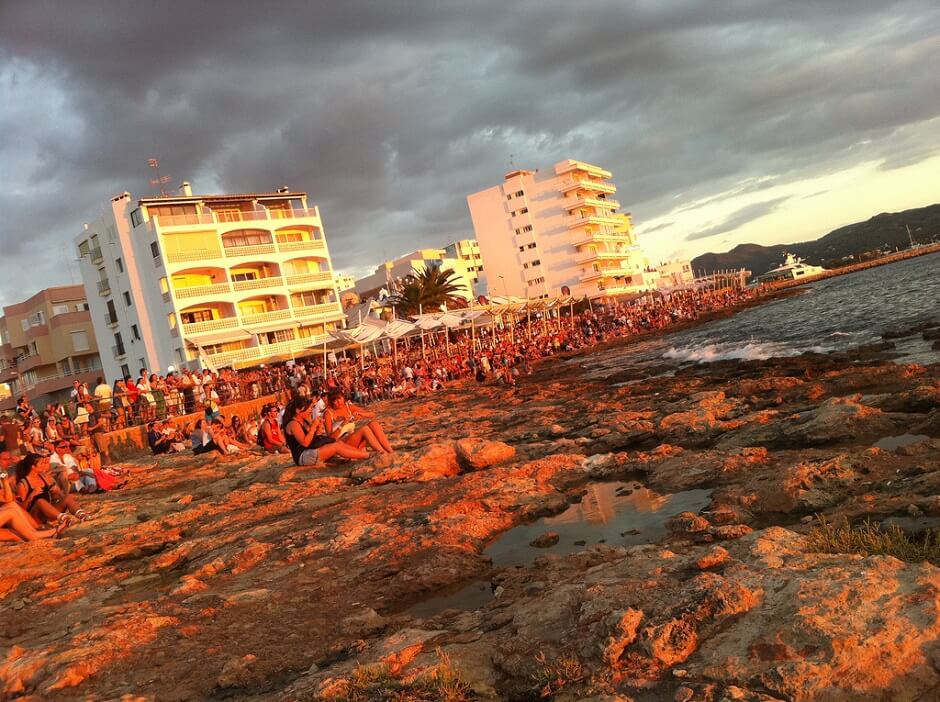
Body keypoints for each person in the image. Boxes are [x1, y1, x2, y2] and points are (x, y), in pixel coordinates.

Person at [282, 397, 369, 466]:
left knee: (339, 444)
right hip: (303, 456)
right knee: (336, 447)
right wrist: (313, 426)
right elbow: (305, 443)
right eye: (308, 408)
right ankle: (367, 456)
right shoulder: (293, 424)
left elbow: (312, 439)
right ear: (298, 410)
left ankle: (363, 454)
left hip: (309, 450)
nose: (310, 410)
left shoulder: (303, 420)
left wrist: (318, 429)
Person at [15, 453, 89, 525]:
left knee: (67, 497)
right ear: (33, 467)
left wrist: (56, 492)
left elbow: (58, 495)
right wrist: (31, 495)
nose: (44, 466)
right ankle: (65, 520)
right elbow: (22, 509)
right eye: (42, 463)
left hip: (48, 513)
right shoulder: (23, 484)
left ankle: (82, 515)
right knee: (40, 501)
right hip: (34, 517)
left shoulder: (43, 477)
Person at [323, 390, 393, 454]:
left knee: (373, 424)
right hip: (341, 443)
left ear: (343, 398)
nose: (338, 402)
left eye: (340, 398)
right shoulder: (328, 413)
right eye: (335, 400)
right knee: (364, 429)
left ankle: (390, 451)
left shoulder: (348, 407)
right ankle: (382, 452)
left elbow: (372, 414)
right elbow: (330, 438)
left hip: (352, 438)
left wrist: (360, 414)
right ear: (331, 402)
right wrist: (342, 424)